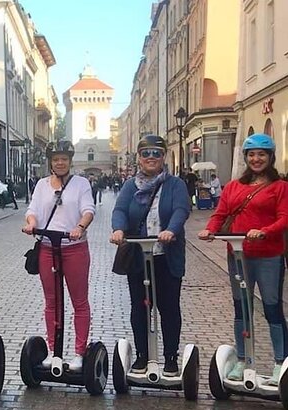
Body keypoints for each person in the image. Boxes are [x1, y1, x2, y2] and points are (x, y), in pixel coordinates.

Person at [198, 133, 288, 385]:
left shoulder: (280, 187)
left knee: (271, 307)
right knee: (242, 309)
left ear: (270, 157)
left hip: (268, 254)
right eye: (251, 155)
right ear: (245, 158)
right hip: (238, 254)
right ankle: (242, 360)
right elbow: (221, 213)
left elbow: (284, 217)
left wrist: (265, 231)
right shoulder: (234, 186)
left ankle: (281, 361)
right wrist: (210, 229)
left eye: (261, 154)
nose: (256, 159)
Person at [110, 135, 191, 376]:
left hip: (166, 255)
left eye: (156, 153)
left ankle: (170, 358)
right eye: (146, 153)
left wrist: (171, 230)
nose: (151, 158)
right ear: (139, 158)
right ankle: (143, 356)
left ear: (163, 156)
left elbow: (181, 209)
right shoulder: (130, 185)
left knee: (168, 307)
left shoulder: (174, 184)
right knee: (140, 307)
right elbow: (120, 210)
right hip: (139, 255)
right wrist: (118, 230)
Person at [22, 140, 95, 371]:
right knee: (52, 302)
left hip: (74, 248)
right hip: (46, 248)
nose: (60, 162)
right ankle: (54, 351)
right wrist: (31, 224)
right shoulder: (42, 185)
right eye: (56, 159)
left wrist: (80, 227)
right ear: (51, 162)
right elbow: (32, 210)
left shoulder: (81, 184)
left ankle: (79, 353)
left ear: (70, 161)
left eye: (64, 158)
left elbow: (88, 210)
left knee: (79, 301)